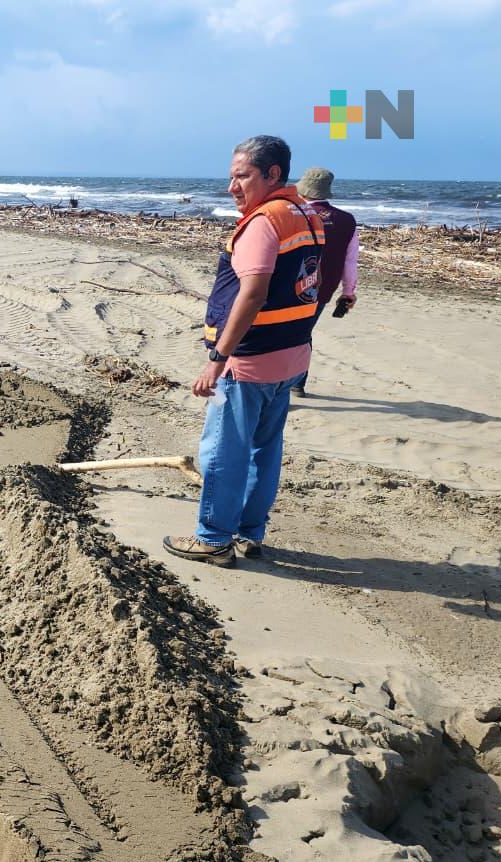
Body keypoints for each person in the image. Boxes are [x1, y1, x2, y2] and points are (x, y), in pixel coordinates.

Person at [163, 135, 324, 567]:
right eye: (231, 177)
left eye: (242, 176)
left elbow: (252, 295)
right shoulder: (306, 215)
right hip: (290, 357)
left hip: (248, 363)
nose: (232, 187)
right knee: (265, 450)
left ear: (273, 174)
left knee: (223, 451)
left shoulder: (263, 222)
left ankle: (214, 537)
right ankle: (251, 532)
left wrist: (217, 359)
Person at [292, 166, 358, 397]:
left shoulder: (293, 214)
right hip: (324, 287)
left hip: (290, 285)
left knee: (286, 334)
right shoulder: (347, 220)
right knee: (303, 332)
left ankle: (285, 383)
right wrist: (348, 291)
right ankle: (297, 383)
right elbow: (350, 260)